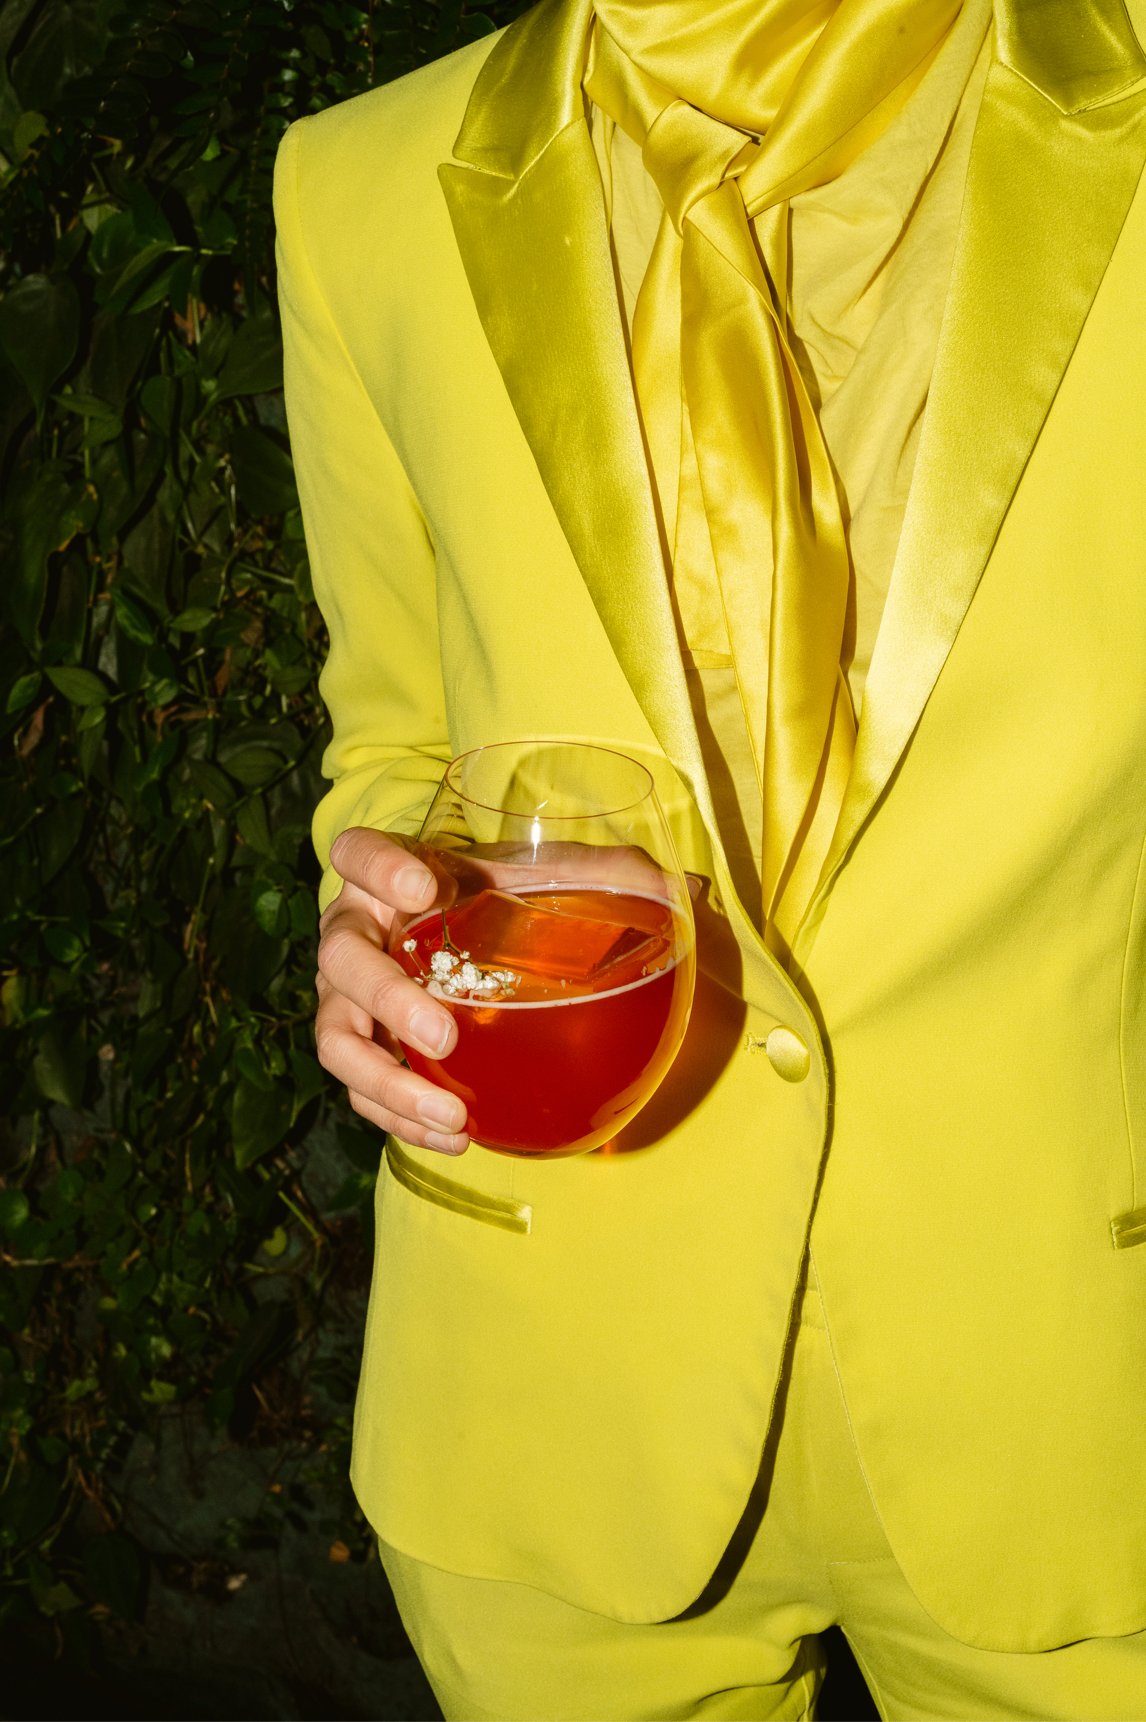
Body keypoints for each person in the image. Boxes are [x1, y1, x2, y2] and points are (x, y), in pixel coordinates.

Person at [274, 0, 1146, 1712]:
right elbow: (393, 731)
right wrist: (376, 914)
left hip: (1076, 1375)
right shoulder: (360, 183)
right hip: (548, 1386)